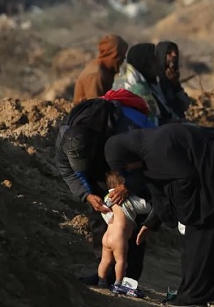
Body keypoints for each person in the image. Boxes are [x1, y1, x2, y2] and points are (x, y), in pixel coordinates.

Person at [105, 124, 214, 305]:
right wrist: (152, 223)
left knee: (200, 243)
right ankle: (197, 294)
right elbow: (162, 188)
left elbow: (184, 178)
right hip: (208, 179)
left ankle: (194, 296)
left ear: (128, 156)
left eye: (126, 166)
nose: (129, 170)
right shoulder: (149, 151)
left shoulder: (156, 150)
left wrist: (184, 213)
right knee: (199, 242)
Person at [55, 92, 155, 286]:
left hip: (134, 164)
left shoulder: (129, 130)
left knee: (134, 225)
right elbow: (66, 169)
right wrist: (87, 195)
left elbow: (154, 162)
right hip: (105, 157)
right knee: (99, 214)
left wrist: (129, 186)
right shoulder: (66, 136)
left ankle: (129, 278)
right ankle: (105, 274)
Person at [97, 172, 152, 297]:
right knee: (121, 261)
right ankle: (118, 283)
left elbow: (107, 215)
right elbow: (146, 207)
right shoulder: (128, 198)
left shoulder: (107, 198)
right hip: (119, 237)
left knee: (105, 260)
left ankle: (101, 281)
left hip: (107, 236)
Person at [113, 43, 162, 125]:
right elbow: (153, 123)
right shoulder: (139, 90)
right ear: (144, 63)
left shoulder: (120, 81)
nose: (157, 64)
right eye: (153, 60)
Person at [74, 34, 128, 104]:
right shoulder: (96, 74)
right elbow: (96, 106)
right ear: (113, 55)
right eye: (121, 55)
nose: (123, 59)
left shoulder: (105, 70)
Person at [154, 41, 191, 124]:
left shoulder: (172, 77)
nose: (174, 55)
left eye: (175, 52)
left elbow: (185, 105)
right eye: (169, 52)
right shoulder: (155, 80)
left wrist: (176, 85)